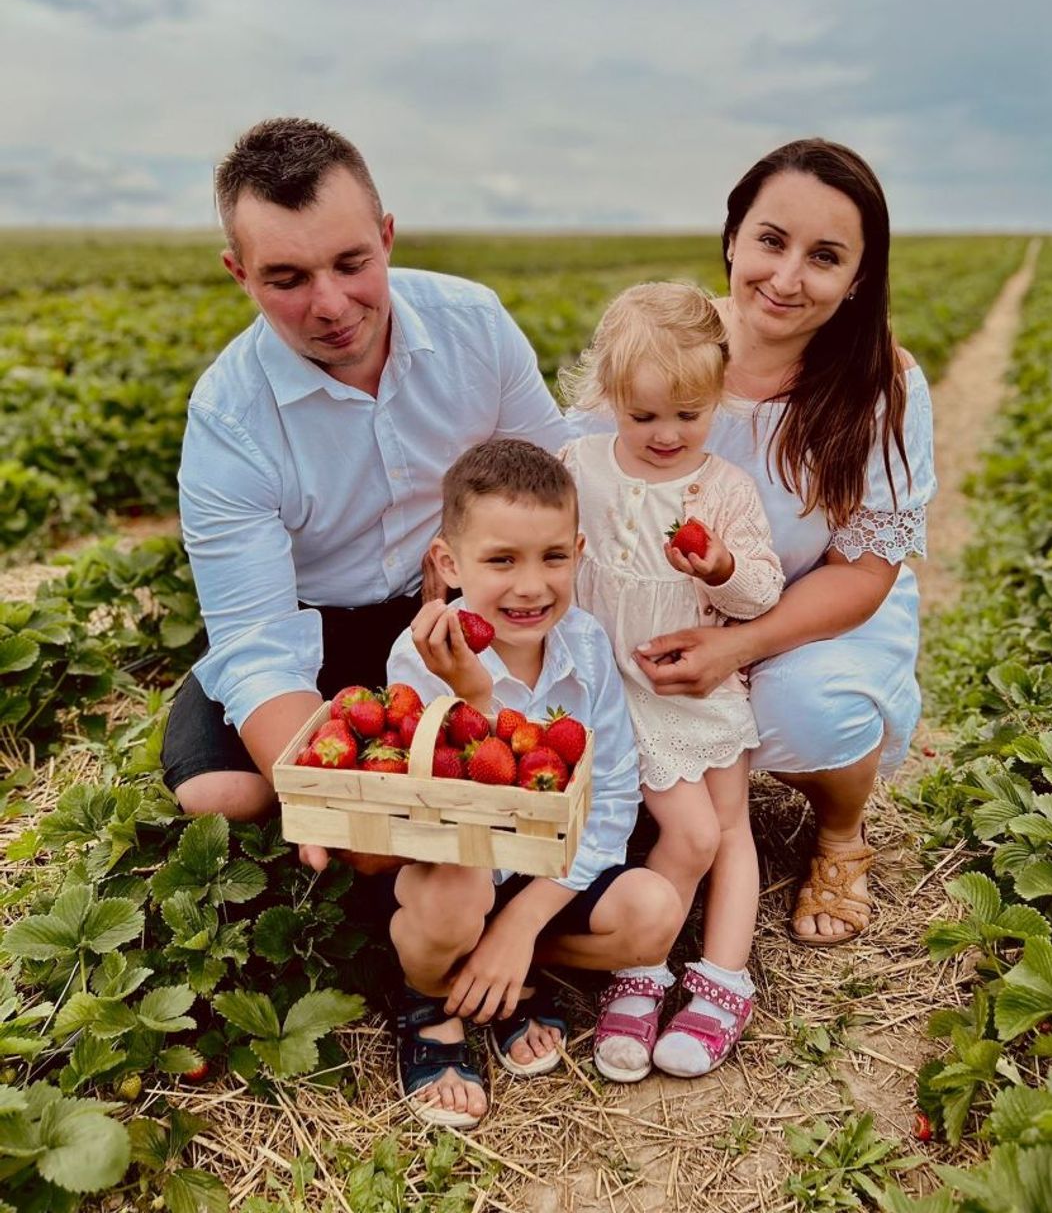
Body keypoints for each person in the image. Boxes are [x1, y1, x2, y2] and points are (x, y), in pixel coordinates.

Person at [161, 116, 566, 866]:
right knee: (223, 796)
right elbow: (258, 642)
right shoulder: (228, 415)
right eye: (287, 279)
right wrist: (328, 793)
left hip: (452, 605)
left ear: (386, 235)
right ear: (239, 273)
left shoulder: (473, 326)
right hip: (310, 621)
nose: (331, 304)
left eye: (351, 262)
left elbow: (557, 480)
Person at [630, 138, 936, 947]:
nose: (787, 277)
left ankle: (839, 832)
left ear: (859, 277)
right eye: (771, 241)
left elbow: (866, 571)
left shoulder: (883, 385)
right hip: (671, 603)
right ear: (733, 237)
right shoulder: (665, 349)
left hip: (815, 614)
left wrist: (744, 646)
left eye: (825, 256)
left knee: (807, 710)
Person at [383, 439, 683, 1127]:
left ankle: (499, 967)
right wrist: (477, 697)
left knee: (654, 912)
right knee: (457, 894)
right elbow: (438, 810)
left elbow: (609, 802)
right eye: (500, 560)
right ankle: (428, 993)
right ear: (449, 564)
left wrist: (519, 921)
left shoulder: (585, 646)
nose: (530, 586)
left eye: (552, 557)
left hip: (541, 871)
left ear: (579, 551)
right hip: (452, 868)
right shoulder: (421, 653)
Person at [558, 282, 784, 1079]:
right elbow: (554, 563)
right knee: (681, 832)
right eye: (643, 415)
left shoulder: (721, 490)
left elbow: (761, 591)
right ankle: (643, 966)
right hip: (612, 689)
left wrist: (720, 566)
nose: (666, 435)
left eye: (688, 415)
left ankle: (723, 979)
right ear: (610, 396)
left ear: (716, 396)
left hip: (694, 685)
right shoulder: (578, 468)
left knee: (728, 828)